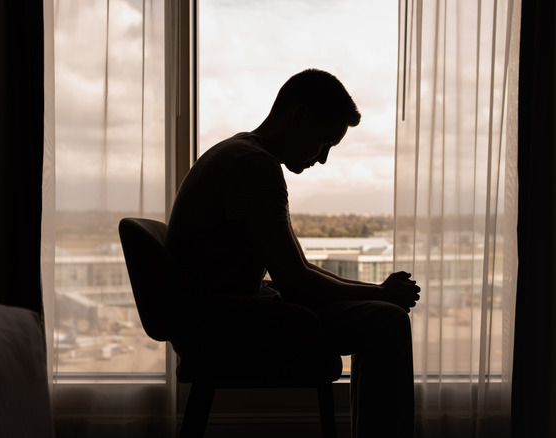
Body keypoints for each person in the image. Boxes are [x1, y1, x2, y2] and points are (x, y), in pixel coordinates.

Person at [165, 68, 419, 437]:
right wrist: (380, 293)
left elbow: (297, 270)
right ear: (300, 117)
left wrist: (378, 291)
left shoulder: (239, 153)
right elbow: (297, 283)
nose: (323, 159)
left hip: (216, 317)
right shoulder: (253, 165)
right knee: (388, 321)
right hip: (223, 329)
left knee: (381, 312)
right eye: (324, 143)